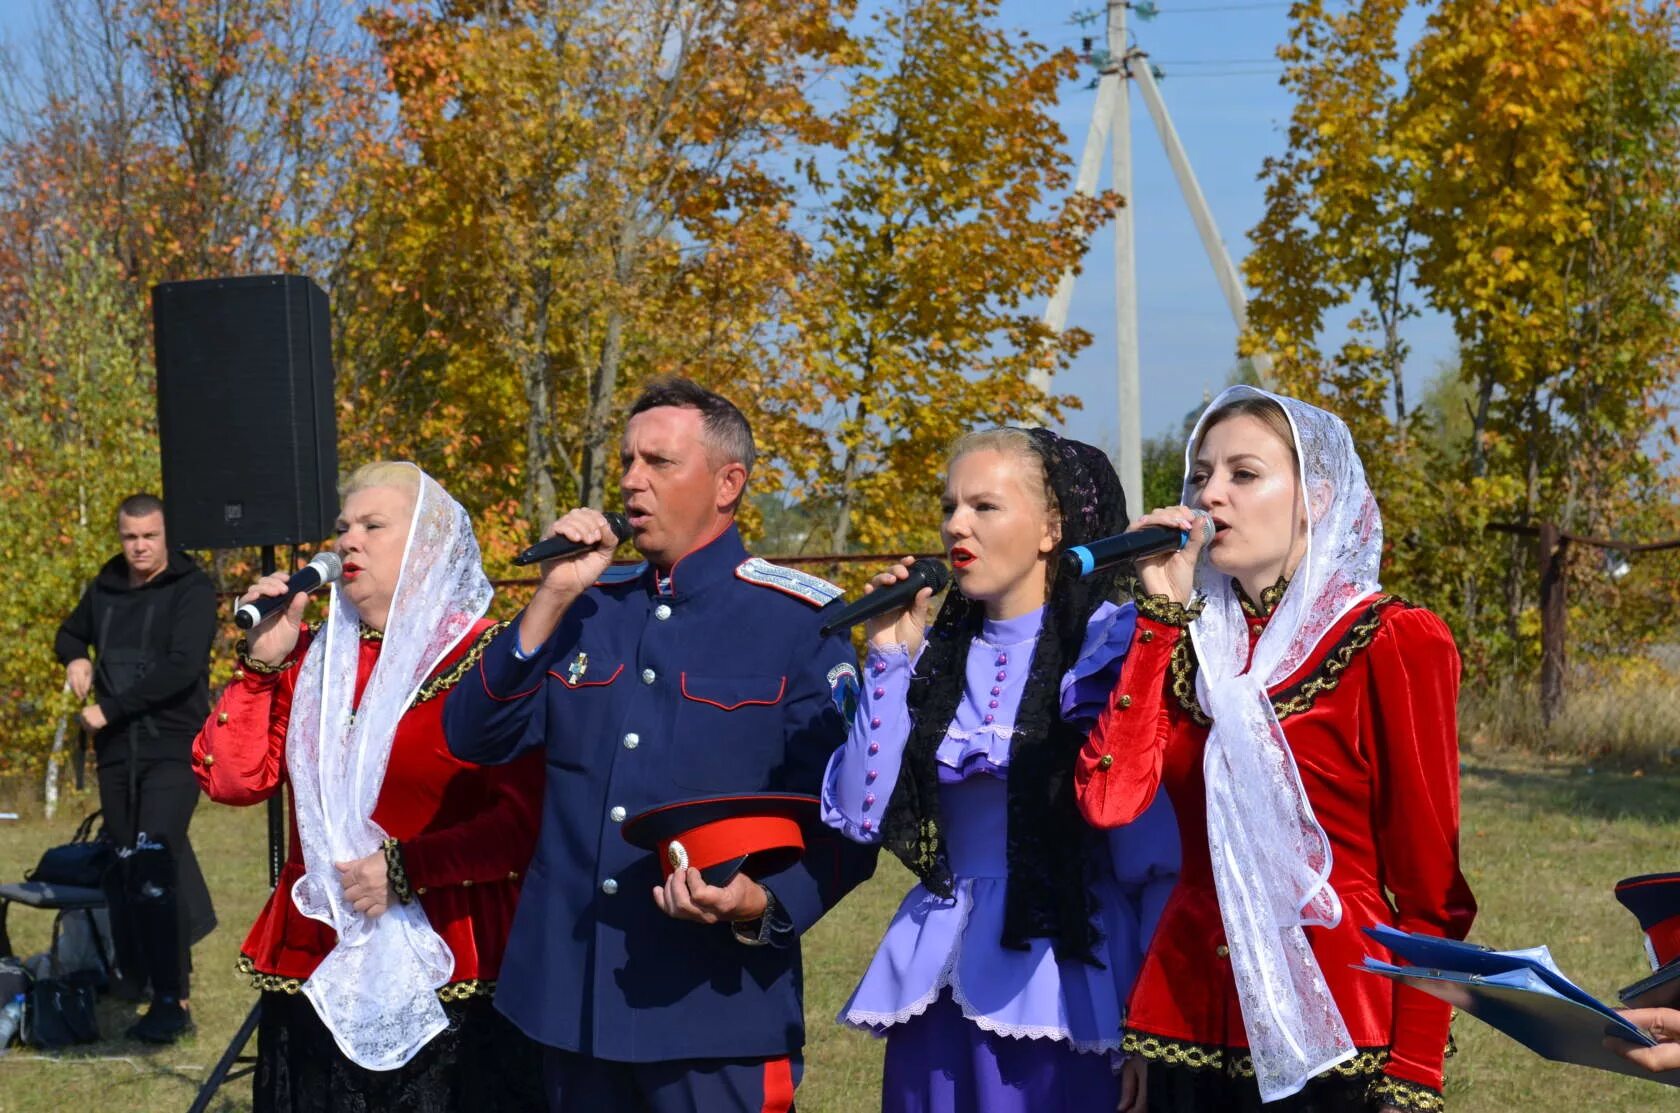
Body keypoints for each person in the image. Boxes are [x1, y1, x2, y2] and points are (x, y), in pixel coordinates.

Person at [444, 377, 877, 1113]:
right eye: (625, 462)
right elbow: (474, 736)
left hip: (713, 1004)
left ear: (728, 483)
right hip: (574, 1001)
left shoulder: (798, 621)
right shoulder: (587, 608)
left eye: (659, 462)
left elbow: (851, 813)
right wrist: (550, 596)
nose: (631, 481)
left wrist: (764, 902)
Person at [1074, 386, 1478, 1112]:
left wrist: (1416, 1066)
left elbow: (1431, 889)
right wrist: (1160, 617)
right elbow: (1109, 800)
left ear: (1315, 498)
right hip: (1185, 1017)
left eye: (1244, 473)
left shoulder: (1388, 639)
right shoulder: (1186, 642)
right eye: (1200, 474)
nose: (1210, 496)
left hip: (1336, 1020)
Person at [821, 428, 1178, 1112]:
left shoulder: (1112, 647)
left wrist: (1148, 1025)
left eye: (984, 506)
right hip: (934, 982)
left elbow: (1150, 863)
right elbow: (862, 814)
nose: (957, 524)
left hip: (1067, 983)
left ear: (1051, 527)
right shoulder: (932, 659)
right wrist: (890, 657)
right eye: (950, 505)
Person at [193, 462, 545, 1111]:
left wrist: (409, 868)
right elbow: (235, 780)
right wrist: (263, 664)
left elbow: (523, 823)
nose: (349, 540)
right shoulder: (313, 665)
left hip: (449, 957)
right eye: (342, 527)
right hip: (317, 957)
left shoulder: (487, 659)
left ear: (430, 544)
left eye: (373, 525)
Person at [54, 492, 217, 1043]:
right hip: (117, 752)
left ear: (166, 534)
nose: (140, 547)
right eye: (130, 537)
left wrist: (109, 708)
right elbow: (70, 633)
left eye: (149, 536)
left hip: (174, 746)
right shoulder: (104, 587)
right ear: (120, 536)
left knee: (153, 864)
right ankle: (135, 977)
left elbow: (182, 667)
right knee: (124, 866)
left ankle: (174, 999)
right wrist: (76, 656)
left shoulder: (192, 589)